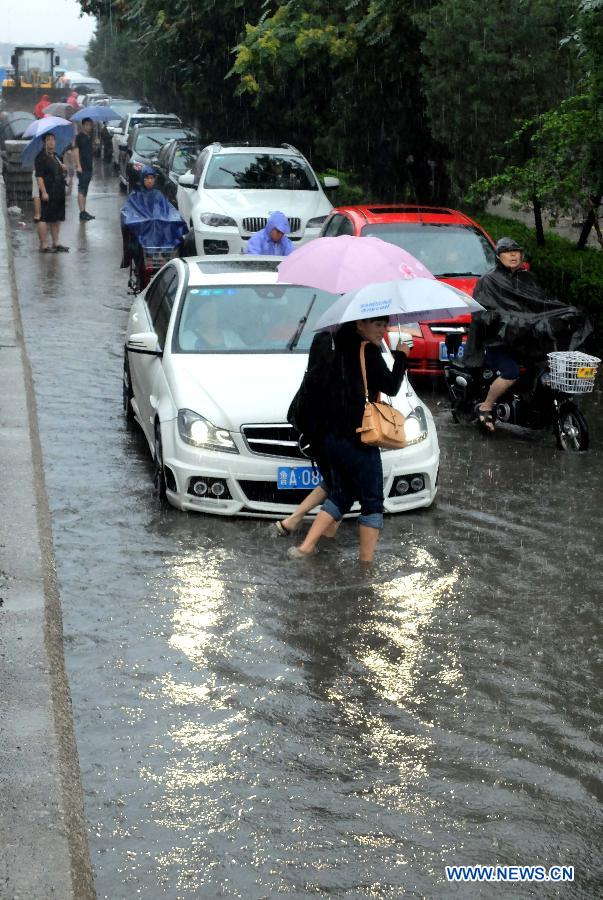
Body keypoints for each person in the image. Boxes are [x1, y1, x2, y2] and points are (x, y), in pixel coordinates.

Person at [288, 317, 411, 564]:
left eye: (385, 325)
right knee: (373, 501)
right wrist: (402, 357)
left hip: (331, 438)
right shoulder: (367, 351)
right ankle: (366, 566)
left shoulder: (331, 345)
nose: (383, 330)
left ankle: (306, 547)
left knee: (342, 493)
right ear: (359, 325)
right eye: (377, 325)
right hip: (359, 437)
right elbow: (391, 386)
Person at [274, 332, 338, 538]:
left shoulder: (312, 372)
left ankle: (300, 522)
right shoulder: (328, 376)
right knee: (338, 484)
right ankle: (309, 536)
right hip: (329, 440)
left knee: (333, 482)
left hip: (316, 440)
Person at [34, 132, 68, 253]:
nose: (51, 142)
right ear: (44, 142)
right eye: (48, 140)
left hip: (58, 191)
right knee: (44, 218)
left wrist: (64, 169)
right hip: (47, 192)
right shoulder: (40, 158)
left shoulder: (57, 156)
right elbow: (39, 177)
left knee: (56, 218)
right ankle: (44, 245)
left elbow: (62, 174)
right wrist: (43, 192)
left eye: (53, 139)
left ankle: (56, 243)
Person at [74, 118, 95, 221]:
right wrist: (78, 165)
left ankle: (84, 211)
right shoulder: (79, 137)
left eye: (90, 125)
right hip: (82, 167)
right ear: (83, 125)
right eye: (87, 125)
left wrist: (97, 143)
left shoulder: (89, 137)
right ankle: (81, 212)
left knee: (85, 190)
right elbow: (76, 151)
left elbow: (91, 152)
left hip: (89, 167)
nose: (89, 127)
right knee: (81, 189)